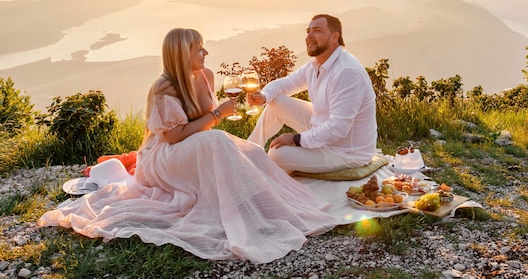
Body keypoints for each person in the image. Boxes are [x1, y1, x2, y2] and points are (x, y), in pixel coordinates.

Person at [39, 28, 338, 264]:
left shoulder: (205, 75)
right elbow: (175, 136)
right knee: (220, 141)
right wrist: (218, 114)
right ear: (183, 54)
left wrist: (218, 116)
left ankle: (264, 206)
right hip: (164, 156)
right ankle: (240, 215)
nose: (206, 52)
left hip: (194, 144)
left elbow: (205, 126)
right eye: (199, 48)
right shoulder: (164, 89)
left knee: (252, 151)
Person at [247, 14, 377, 174]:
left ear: (335, 37)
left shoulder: (346, 72)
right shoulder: (315, 64)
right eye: (308, 31)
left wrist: (297, 139)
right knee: (276, 102)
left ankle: (259, 171)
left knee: (277, 153)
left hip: (346, 152)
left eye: (317, 31)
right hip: (323, 128)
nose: (309, 36)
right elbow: (285, 84)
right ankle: (247, 154)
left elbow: (338, 128)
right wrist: (264, 96)